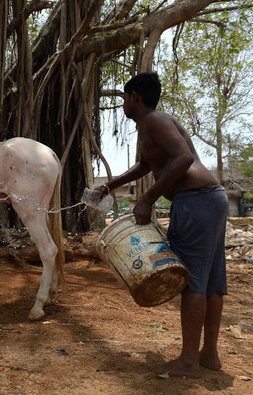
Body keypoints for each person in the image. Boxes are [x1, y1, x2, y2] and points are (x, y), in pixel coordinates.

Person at [95, 72, 228, 378]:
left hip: (196, 201)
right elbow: (146, 166)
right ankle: (208, 354)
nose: (123, 105)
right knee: (211, 280)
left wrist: (148, 200)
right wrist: (109, 186)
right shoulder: (150, 125)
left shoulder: (155, 121)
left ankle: (189, 361)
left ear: (134, 98)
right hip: (209, 199)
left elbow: (181, 159)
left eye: (124, 99)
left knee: (194, 280)